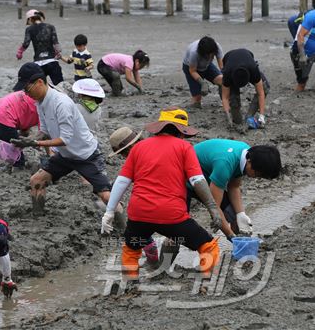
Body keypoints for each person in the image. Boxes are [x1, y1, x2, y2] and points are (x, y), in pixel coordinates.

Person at [101, 107, 223, 280]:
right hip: (172, 215)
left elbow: (121, 181)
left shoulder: (138, 148)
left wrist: (109, 212)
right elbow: (197, 180)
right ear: (181, 131)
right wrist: (213, 209)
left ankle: (129, 284)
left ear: (160, 127)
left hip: (139, 214)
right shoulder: (184, 147)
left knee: (131, 248)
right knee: (207, 245)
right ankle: (207, 280)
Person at [9, 63, 117, 217]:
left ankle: (125, 226)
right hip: (65, 156)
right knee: (36, 180)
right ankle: (38, 215)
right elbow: (45, 131)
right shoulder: (40, 103)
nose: (26, 93)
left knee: (105, 195)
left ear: (39, 82)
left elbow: (64, 139)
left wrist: (35, 143)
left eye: (27, 89)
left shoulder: (62, 103)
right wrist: (29, 140)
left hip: (86, 155)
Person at [160, 140, 282, 264]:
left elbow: (234, 187)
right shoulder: (225, 163)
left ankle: (241, 255)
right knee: (177, 230)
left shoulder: (246, 154)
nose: (256, 177)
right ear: (249, 161)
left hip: (205, 177)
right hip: (181, 181)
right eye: (257, 173)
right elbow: (214, 208)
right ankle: (162, 269)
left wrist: (240, 214)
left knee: (234, 217)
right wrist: (230, 235)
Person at [108, 126, 158, 265]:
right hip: (170, 198)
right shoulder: (154, 149)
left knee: (138, 234)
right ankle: (158, 262)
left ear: (128, 149)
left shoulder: (135, 160)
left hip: (146, 203)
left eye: (122, 154)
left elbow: (121, 183)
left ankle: (152, 262)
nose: (123, 158)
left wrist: (109, 211)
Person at [0, 91, 39, 168]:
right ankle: (17, 168)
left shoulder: (32, 96)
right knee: (17, 155)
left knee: (12, 141)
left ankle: (9, 158)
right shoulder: (44, 107)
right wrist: (50, 154)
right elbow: (45, 134)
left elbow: (25, 129)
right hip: (3, 118)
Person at [220, 48, 270, 130]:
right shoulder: (227, 73)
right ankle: (236, 116)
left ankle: (249, 116)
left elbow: (261, 93)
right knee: (235, 109)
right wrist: (227, 115)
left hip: (248, 58)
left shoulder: (254, 70)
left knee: (265, 88)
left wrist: (261, 116)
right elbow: (225, 97)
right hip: (228, 60)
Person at [16, 9, 64, 86]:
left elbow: (26, 43)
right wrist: (58, 53)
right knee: (60, 86)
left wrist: (19, 53)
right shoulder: (51, 27)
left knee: (40, 89)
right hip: (52, 62)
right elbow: (56, 43)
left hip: (39, 64)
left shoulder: (29, 29)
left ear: (30, 19)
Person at [182, 36, 224, 108]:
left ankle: (225, 102)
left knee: (222, 81)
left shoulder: (216, 47)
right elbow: (192, 71)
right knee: (197, 101)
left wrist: (228, 79)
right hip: (191, 68)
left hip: (207, 66)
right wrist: (202, 83)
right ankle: (196, 102)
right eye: (208, 55)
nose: (210, 56)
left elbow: (222, 67)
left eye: (212, 54)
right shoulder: (194, 52)